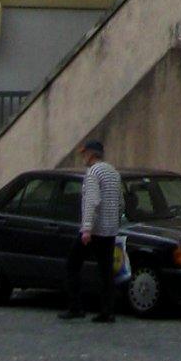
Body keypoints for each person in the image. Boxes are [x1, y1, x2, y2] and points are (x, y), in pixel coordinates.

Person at [60, 137, 123, 322]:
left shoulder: (93, 172)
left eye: (84, 154)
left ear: (91, 154)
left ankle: (75, 306)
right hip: (110, 229)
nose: (83, 158)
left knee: (72, 264)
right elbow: (120, 202)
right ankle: (107, 310)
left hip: (94, 230)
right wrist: (116, 221)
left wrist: (86, 228)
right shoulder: (114, 172)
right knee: (106, 271)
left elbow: (92, 201)